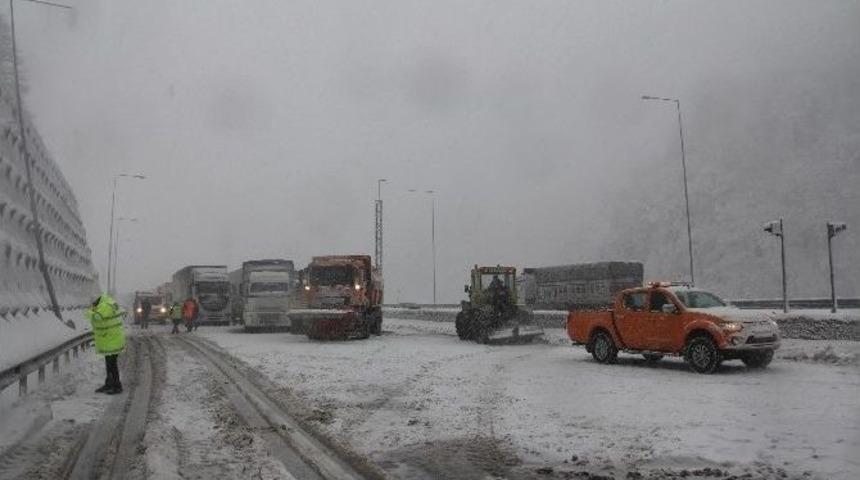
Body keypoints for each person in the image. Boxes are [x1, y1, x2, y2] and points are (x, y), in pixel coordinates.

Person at [85, 294, 126, 395]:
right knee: (109, 364)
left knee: (112, 364)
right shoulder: (108, 303)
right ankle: (109, 384)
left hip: (112, 340)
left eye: (93, 303)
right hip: (111, 339)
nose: (92, 305)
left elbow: (97, 317)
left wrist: (89, 312)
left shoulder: (105, 306)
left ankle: (117, 386)